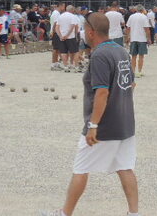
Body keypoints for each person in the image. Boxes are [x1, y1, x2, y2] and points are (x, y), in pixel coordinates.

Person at [43, 12, 139, 216]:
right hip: (125, 123)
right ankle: (134, 213)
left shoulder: (99, 55)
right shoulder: (121, 50)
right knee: (125, 167)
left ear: (91, 32)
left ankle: (64, 213)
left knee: (80, 168)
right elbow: (131, 84)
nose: (83, 34)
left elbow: (102, 92)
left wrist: (93, 125)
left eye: (84, 29)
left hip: (104, 126)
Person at [126, 5, 151, 77]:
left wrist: (128, 36)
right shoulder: (144, 17)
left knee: (133, 56)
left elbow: (128, 28)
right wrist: (148, 38)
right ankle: (139, 71)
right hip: (142, 39)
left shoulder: (131, 16)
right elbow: (147, 29)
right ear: (142, 10)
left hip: (133, 38)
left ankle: (133, 71)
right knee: (141, 56)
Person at [55, 5, 80, 72]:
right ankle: (76, 66)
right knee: (75, 52)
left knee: (63, 52)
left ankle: (66, 66)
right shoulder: (73, 16)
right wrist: (69, 35)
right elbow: (73, 27)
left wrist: (60, 36)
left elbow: (57, 27)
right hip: (71, 37)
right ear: (72, 10)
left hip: (62, 37)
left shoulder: (60, 16)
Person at [50, 2, 66, 71]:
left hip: (56, 32)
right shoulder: (56, 13)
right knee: (55, 49)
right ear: (61, 6)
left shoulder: (56, 13)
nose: (64, 8)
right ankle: (54, 64)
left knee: (57, 49)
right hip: (56, 32)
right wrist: (53, 32)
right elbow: (55, 24)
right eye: (64, 6)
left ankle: (56, 63)